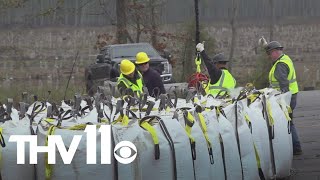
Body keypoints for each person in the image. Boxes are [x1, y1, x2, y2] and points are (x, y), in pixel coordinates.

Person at [265, 40, 302, 155]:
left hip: (286, 97)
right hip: (291, 95)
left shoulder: (280, 64)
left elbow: (284, 84)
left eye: (269, 53)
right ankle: (295, 147)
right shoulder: (285, 59)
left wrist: (283, 101)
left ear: (275, 52)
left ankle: (295, 148)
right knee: (288, 121)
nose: (269, 56)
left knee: (287, 122)